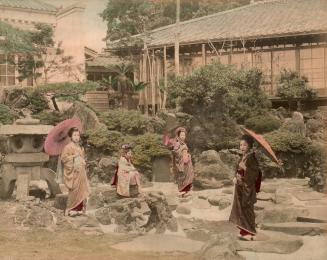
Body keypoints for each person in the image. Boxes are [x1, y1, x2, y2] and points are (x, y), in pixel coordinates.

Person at [229, 134, 262, 241]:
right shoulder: (243, 156)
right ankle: (244, 232)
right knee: (241, 209)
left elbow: (255, 173)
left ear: (249, 146)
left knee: (247, 208)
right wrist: (235, 176)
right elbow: (238, 170)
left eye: (244, 145)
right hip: (240, 187)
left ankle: (250, 232)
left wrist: (246, 169)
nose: (242, 147)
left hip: (247, 188)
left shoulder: (252, 157)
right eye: (240, 145)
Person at [61, 127, 90, 217]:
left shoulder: (80, 147)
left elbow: (83, 158)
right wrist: (74, 156)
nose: (77, 137)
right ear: (71, 136)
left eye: (78, 135)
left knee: (82, 190)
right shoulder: (68, 147)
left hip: (81, 171)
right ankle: (70, 209)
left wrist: (81, 159)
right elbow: (64, 159)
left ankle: (80, 209)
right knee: (74, 190)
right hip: (74, 172)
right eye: (74, 135)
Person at [171, 127, 194, 197]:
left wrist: (188, 155)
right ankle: (182, 191)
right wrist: (182, 154)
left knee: (188, 175)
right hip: (182, 163)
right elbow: (175, 152)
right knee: (182, 176)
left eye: (184, 135)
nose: (183, 137)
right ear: (178, 136)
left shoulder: (183, 144)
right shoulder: (177, 143)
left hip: (186, 163)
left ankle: (186, 191)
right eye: (181, 135)